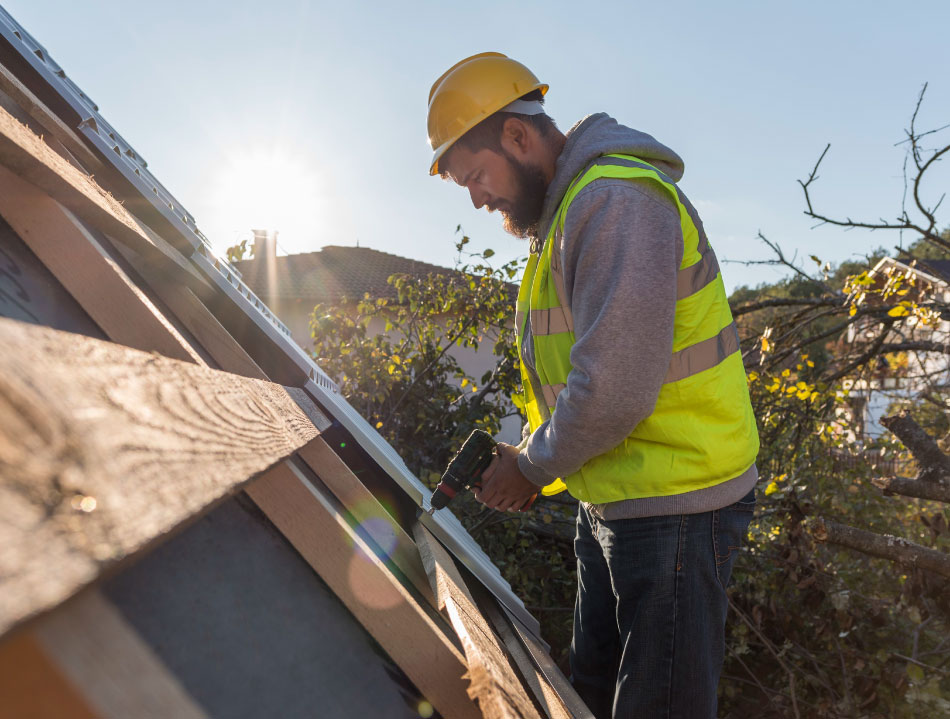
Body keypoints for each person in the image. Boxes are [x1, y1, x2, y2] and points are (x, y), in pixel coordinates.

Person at [427, 52, 760, 719]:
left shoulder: (614, 202)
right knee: (591, 690)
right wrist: (529, 460)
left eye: (477, 174)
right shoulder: (565, 217)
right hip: (615, 496)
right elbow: (571, 380)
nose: (477, 197)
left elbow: (612, 390)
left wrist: (533, 467)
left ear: (519, 137)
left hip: (677, 504)